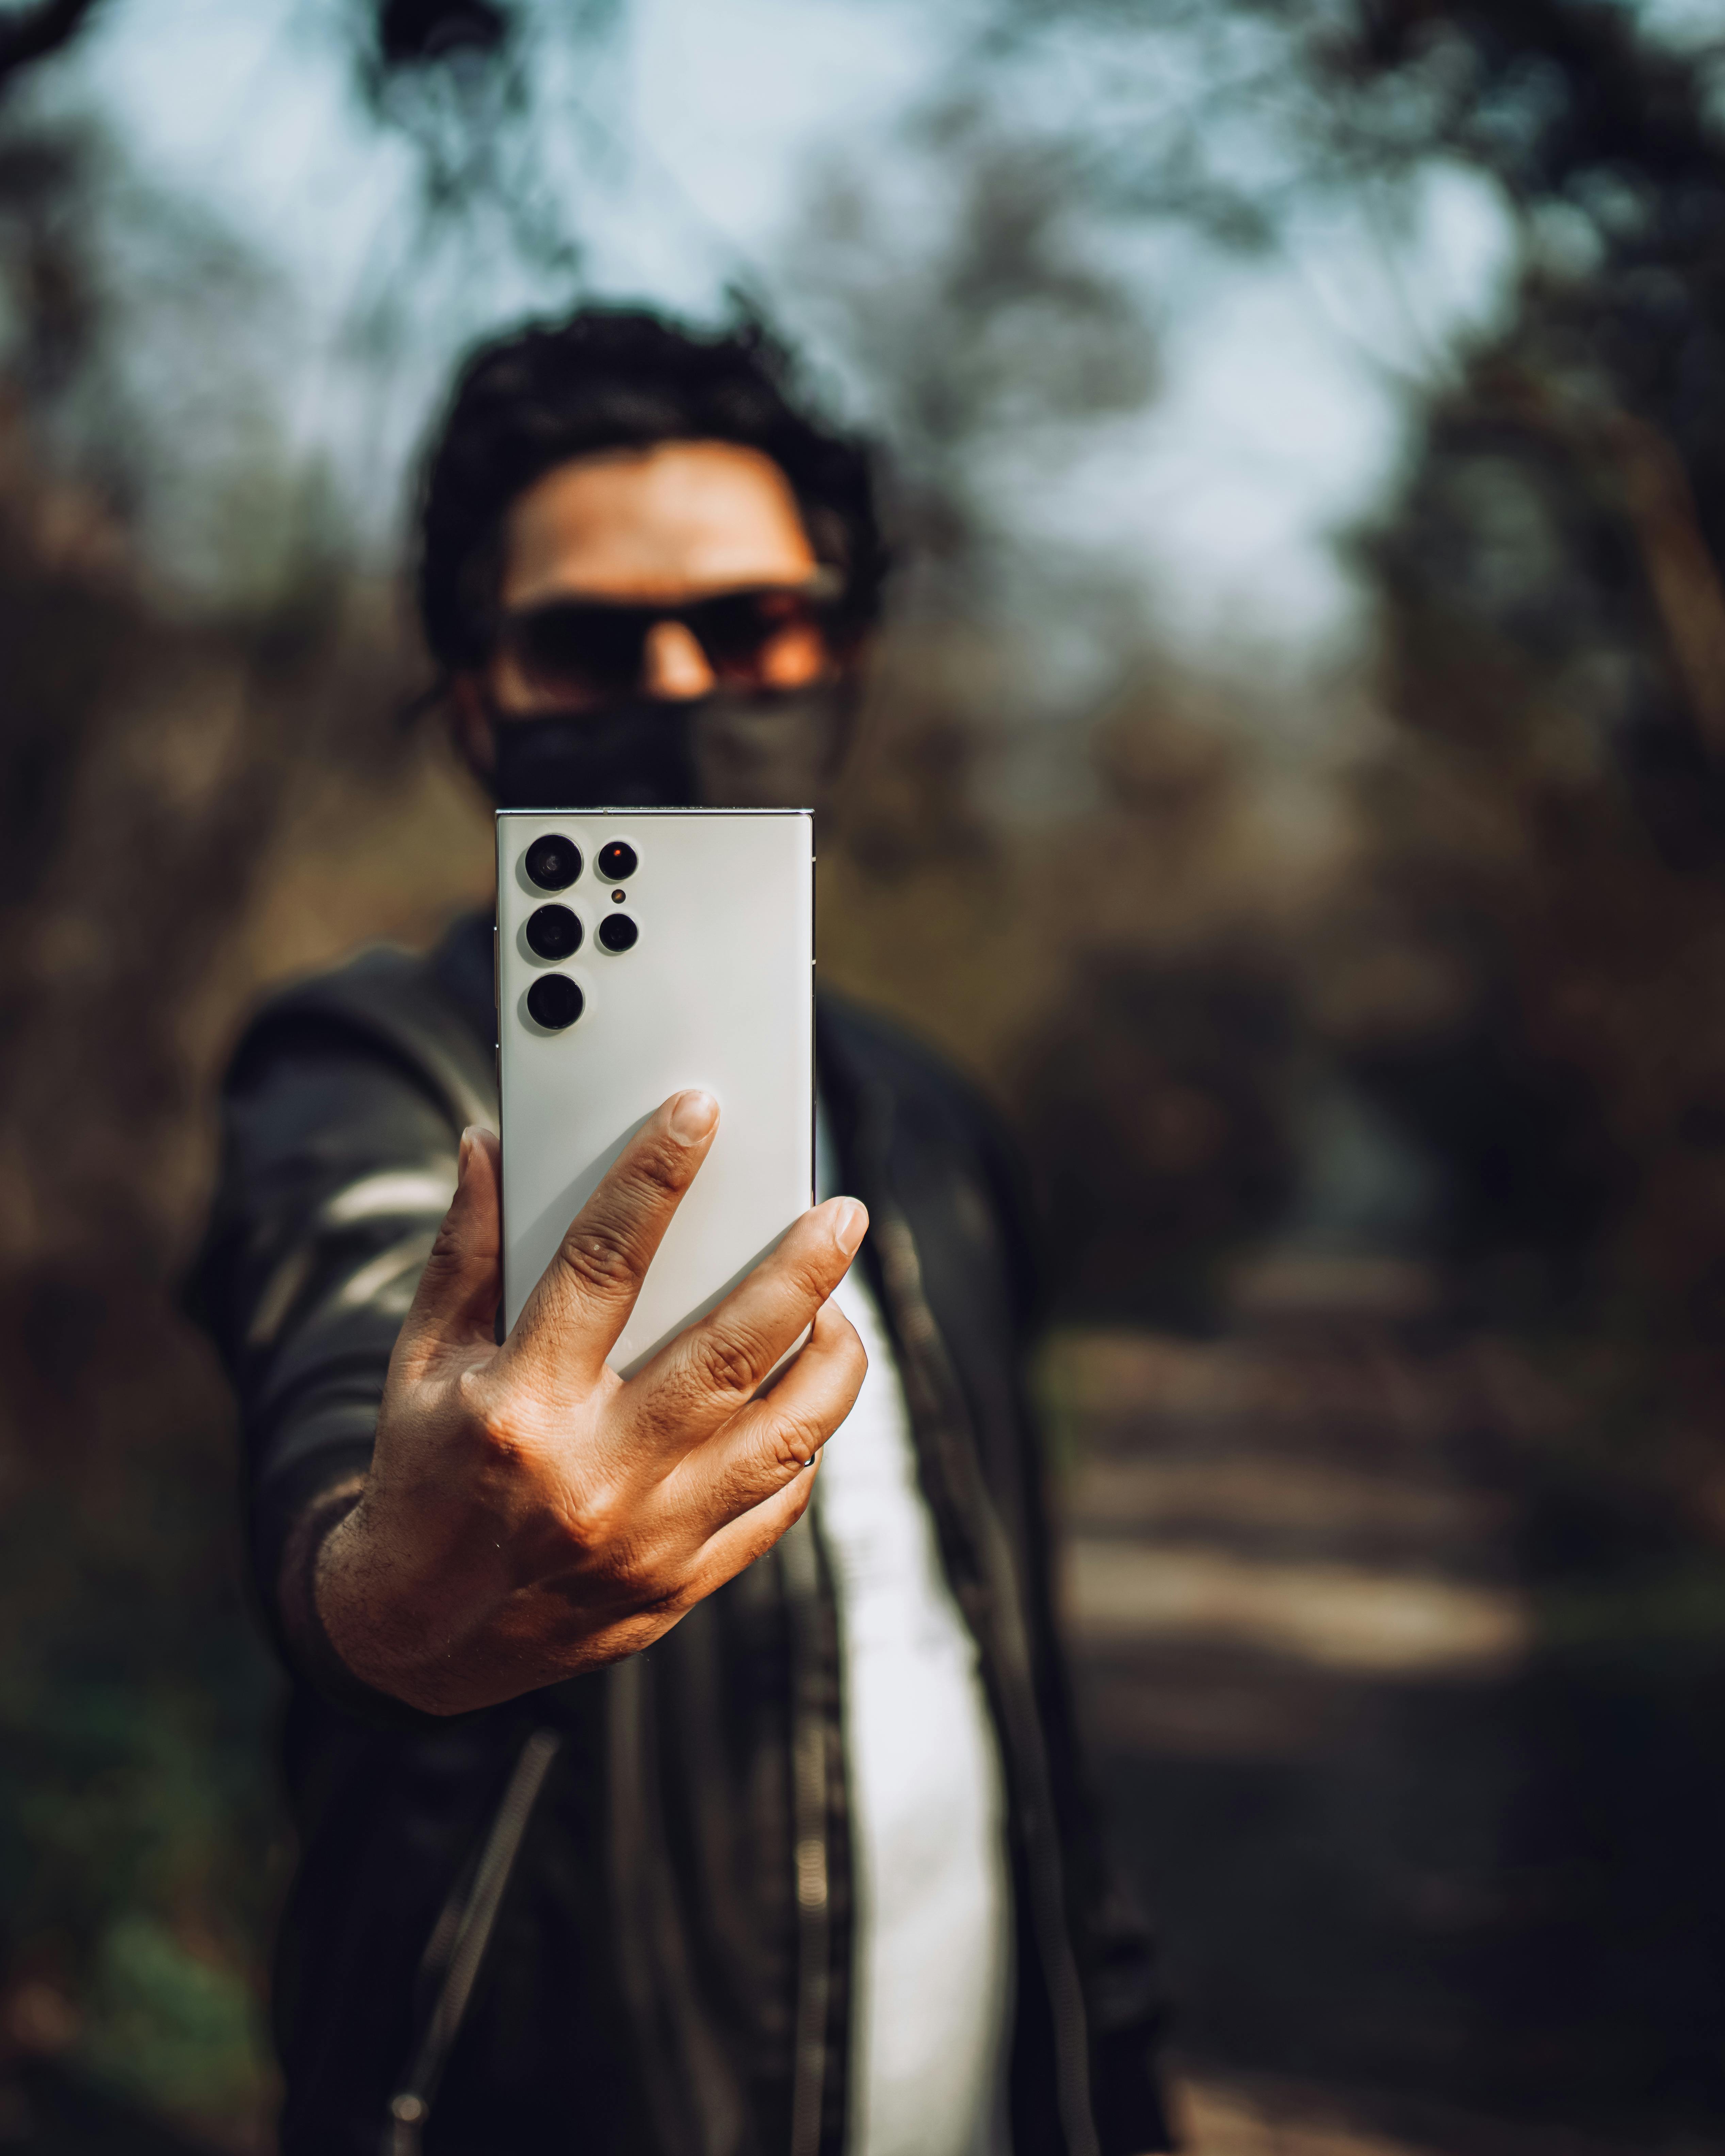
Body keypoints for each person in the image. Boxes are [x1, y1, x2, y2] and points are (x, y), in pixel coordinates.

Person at [195, 306, 1172, 2156]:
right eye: (584, 641)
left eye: (748, 626)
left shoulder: (935, 1123)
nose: (678, 680)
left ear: (844, 657)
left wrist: (1113, 2075)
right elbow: (338, 1333)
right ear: (477, 697)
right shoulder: (370, 1070)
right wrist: (382, 1589)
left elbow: (1026, 1699)